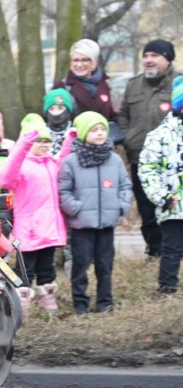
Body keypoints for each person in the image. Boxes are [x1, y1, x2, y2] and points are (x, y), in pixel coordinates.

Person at [58, 112, 132, 314]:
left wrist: (121, 206)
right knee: (80, 266)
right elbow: (64, 191)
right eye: (93, 130)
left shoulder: (114, 160)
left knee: (105, 265)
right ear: (83, 133)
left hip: (107, 223)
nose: (99, 133)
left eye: (102, 129)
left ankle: (105, 302)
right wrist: (75, 208)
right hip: (82, 225)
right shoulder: (71, 161)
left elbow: (125, 185)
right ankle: (80, 303)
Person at [0, 117, 73, 311]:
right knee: (26, 268)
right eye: (39, 141)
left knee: (47, 267)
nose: (44, 145)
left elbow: (63, 160)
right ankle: (21, 301)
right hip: (29, 230)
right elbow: (5, 179)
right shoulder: (21, 166)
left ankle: (46, 297)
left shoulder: (51, 164)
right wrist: (23, 145)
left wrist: (69, 140)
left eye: (47, 141)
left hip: (49, 228)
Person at [120, 39, 178, 259]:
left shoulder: (179, 82)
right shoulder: (133, 84)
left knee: (174, 207)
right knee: (146, 209)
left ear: (168, 59)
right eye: (146, 56)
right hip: (140, 158)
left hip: (173, 161)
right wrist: (128, 137)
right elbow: (123, 114)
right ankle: (154, 251)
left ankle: (173, 251)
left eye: (154, 55)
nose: (148, 60)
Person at [137, 76, 183, 294]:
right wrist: (161, 196)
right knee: (172, 247)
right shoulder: (160, 135)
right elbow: (148, 168)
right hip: (173, 204)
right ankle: (167, 287)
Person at [52, 39, 118, 123]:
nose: (79, 65)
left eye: (84, 60)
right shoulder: (61, 87)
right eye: (76, 60)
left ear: (95, 62)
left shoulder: (104, 85)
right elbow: (52, 119)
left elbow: (111, 116)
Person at [43, 88, 76, 153]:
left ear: (68, 111)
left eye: (60, 108)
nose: (56, 113)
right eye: (51, 109)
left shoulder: (77, 133)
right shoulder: (40, 134)